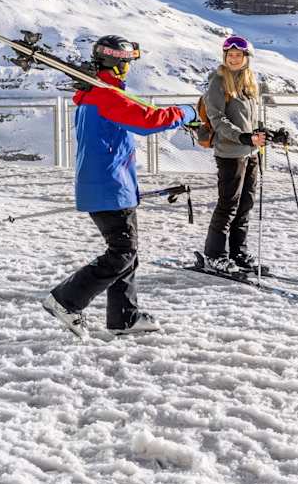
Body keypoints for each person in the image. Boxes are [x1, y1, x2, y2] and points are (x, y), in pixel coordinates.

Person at [41, 35, 197, 339]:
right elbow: (149, 120)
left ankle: (124, 317)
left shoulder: (94, 95)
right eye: (127, 63)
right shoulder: (106, 96)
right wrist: (187, 112)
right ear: (119, 64)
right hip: (109, 185)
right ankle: (66, 300)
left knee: (127, 252)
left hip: (112, 184)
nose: (128, 69)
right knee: (122, 253)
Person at [202, 34, 265, 272]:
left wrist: (264, 134)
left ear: (247, 58)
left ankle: (238, 252)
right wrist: (242, 136)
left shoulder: (248, 83)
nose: (234, 59)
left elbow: (250, 120)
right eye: (230, 55)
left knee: (245, 204)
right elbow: (217, 119)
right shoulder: (218, 82)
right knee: (228, 204)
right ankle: (215, 254)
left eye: (239, 55)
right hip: (230, 153)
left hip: (250, 152)